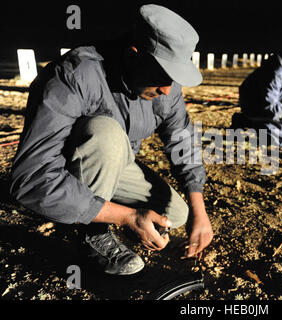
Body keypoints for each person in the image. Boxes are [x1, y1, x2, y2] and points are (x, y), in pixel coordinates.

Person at [10, 4, 214, 275]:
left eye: (173, 78)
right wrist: (127, 216)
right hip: (68, 167)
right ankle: (91, 234)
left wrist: (200, 212)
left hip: (114, 164)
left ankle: (101, 210)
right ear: (133, 55)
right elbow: (32, 178)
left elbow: (182, 143)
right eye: (161, 76)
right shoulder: (74, 75)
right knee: (106, 132)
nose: (167, 89)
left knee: (175, 215)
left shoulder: (165, 88)